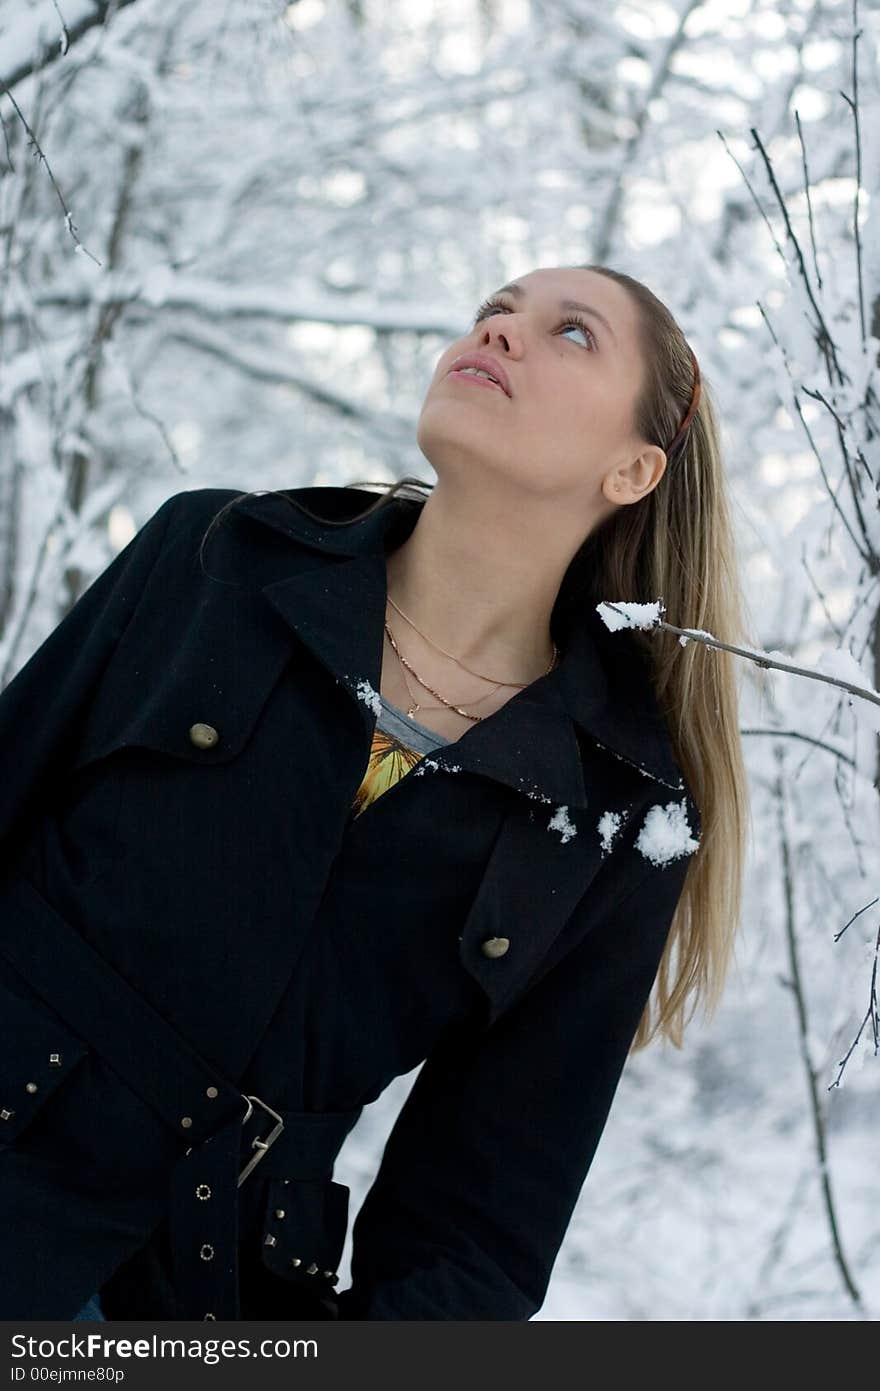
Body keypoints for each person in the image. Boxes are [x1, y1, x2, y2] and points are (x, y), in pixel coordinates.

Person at [1, 264, 751, 1321]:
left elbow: (476, 1236)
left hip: (208, 1302)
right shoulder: (215, 557)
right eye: (494, 309)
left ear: (633, 466)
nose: (498, 332)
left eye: (569, 332)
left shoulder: (623, 815)